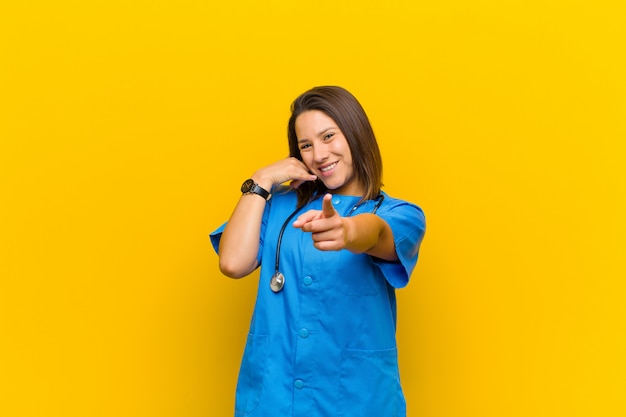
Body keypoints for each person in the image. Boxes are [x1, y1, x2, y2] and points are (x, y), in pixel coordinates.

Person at [210, 86, 426, 417]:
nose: (319, 154)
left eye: (329, 137)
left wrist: (348, 230)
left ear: (356, 134)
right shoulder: (277, 207)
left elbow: (378, 234)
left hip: (357, 401)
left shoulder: (400, 214)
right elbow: (233, 262)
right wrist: (261, 179)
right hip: (272, 399)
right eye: (306, 145)